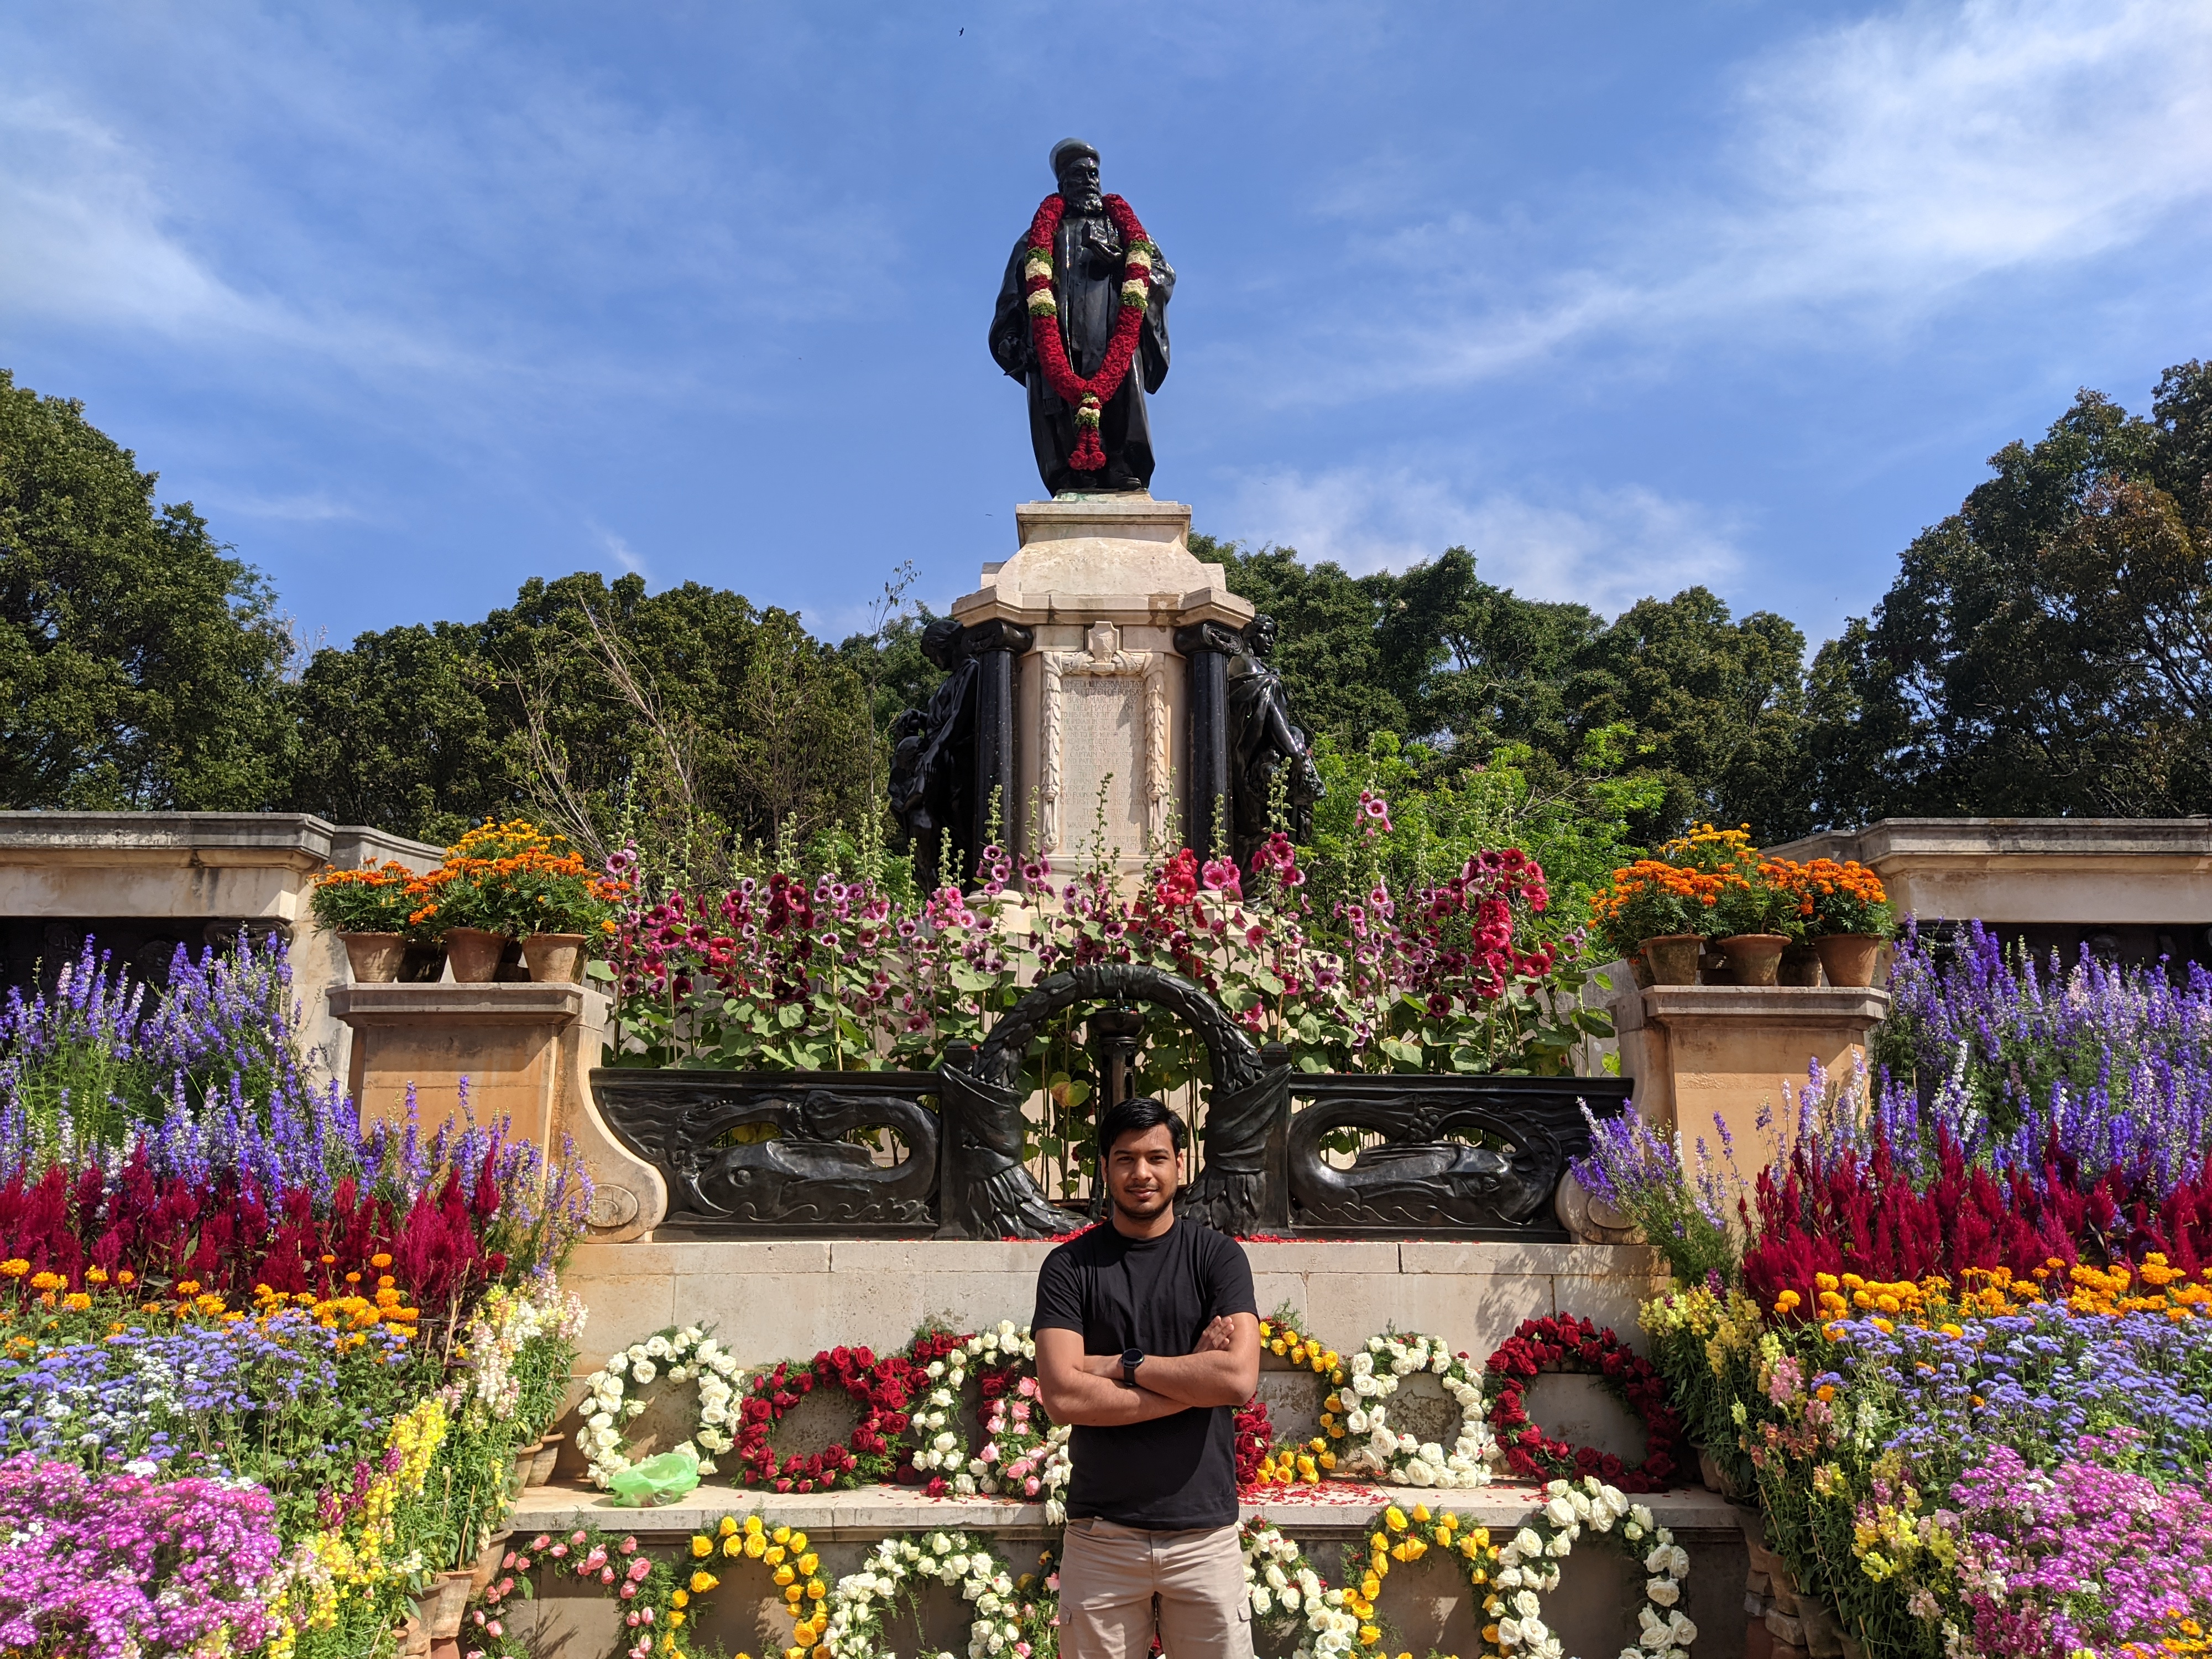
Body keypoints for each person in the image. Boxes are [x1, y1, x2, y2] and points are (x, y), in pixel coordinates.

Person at [1032, 1097, 1261, 1658]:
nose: (1142, 1174)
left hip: (1202, 1536)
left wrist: (1120, 1365)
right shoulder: (1069, 1268)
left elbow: (1234, 1381)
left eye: (1156, 1157)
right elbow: (1062, 1395)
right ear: (1105, 1168)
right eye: (1125, 1159)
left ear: (1180, 1165)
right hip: (1102, 1536)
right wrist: (1190, 1385)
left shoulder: (1218, 1260)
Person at [989, 138, 1175, 496]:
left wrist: (1120, 262)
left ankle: (1122, 463)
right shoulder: (1036, 240)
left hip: (1113, 338)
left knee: (1121, 396)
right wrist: (1010, 340)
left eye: (1094, 173)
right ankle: (1074, 474)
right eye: (1080, 174)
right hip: (1058, 344)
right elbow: (1012, 299)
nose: (1090, 180)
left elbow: (1163, 274)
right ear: (1063, 183)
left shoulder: (1126, 234)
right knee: (1059, 408)